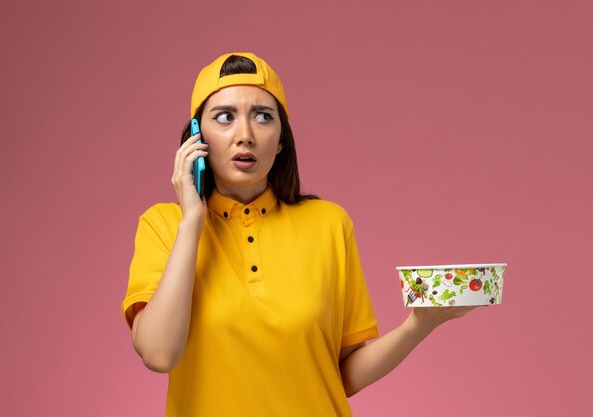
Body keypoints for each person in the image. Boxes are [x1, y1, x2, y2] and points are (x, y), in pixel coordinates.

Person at [122, 52, 474, 416]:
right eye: (225, 117)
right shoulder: (164, 226)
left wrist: (420, 324)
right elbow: (159, 353)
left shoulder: (329, 224)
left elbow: (342, 375)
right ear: (197, 138)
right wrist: (192, 222)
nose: (245, 135)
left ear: (281, 141)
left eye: (262, 117)